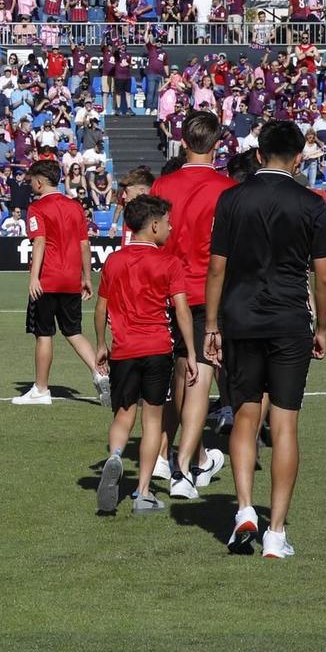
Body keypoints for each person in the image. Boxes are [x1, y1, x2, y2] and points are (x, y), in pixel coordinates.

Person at [204, 120, 326, 560]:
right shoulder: (311, 202)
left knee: (244, 416)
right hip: (289, 320)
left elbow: (216, 267)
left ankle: (244, 508)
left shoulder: (231, 197)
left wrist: (211, 325)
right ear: (299, 159)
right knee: (285, 424)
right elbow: (325, 276)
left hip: (240, 318)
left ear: (258, 155)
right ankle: (275, 533)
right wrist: (321, 328)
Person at [93, 195, 195, 517]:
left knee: (123, 415)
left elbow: (101, 307)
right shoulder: (169, 262)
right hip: (158, 349)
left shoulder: (114, 261)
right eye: (166, 222)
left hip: (123, 350)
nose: (170, 227)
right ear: (153, 225)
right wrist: (191, 351)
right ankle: (143, 492)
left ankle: (116, 455)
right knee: (152, 420)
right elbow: (181, 309)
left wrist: (100, 344)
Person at [150, 111, 232, 495]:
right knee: (200, 374)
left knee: (183, 371)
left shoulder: (163, 185)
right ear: (217, 145)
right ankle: (184, 467)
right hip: (207, 293)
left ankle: (191, 458)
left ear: (183, 142)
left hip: (166, 288)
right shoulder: (226, 188)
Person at [13, 159, 109, 406]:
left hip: (48, 279)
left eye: (32, 179)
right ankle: (100, 373)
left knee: (43, 333)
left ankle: (41, 389)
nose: (29, 183)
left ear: (40, 181)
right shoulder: (75, 206)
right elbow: (84, 244)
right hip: (71, 280)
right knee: (74, 331)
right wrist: (87, 277)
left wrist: (34, 277)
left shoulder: (37, 208)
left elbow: (40, 242)